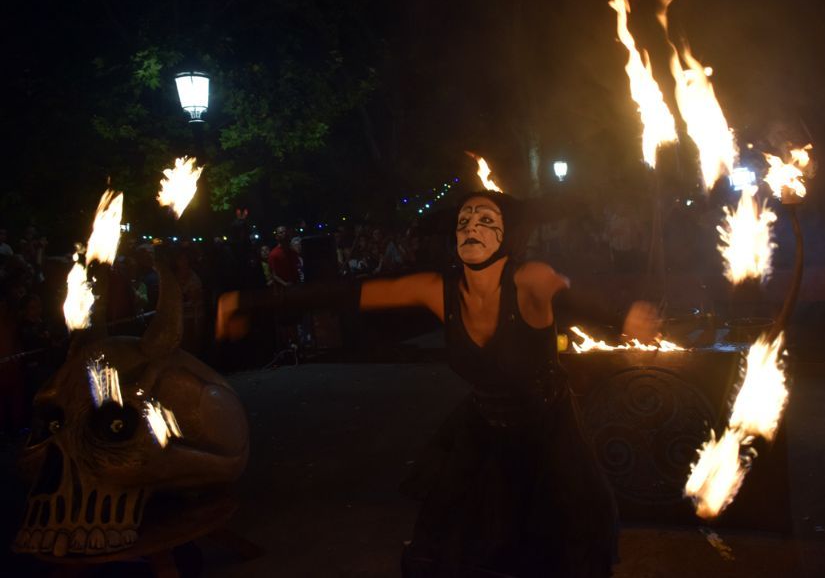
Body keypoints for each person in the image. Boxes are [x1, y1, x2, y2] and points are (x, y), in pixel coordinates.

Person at [217, 190, 659, 577]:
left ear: (508, 236)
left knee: (563, 537)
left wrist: (621, 316)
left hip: (549, 429)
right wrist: (249, 302)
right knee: (460, 542)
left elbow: (573, 293)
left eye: (487, 221)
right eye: (464, 221)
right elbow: (350, 293)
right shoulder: (436, 289)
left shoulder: (529, 279)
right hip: (484, 429)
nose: (471, 228)